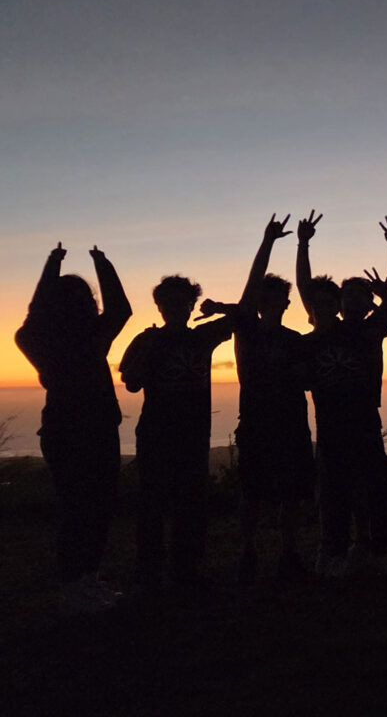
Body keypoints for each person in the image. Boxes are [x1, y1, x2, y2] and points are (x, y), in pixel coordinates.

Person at [16, 243, 132, 613]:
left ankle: (83, 581)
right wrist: (103, 263)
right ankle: (77, 583)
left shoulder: (40, 340)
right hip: (88, 432)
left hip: (69, 431)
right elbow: (120, 309)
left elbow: (35, 313)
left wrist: (52, 265)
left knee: (82, 508)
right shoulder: (91, 339)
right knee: (89, 508)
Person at [200, 214, 315, 584]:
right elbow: (248, 290)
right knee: (252, 493)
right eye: (267, 298)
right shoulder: (246, 328)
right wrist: (267, 242)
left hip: (291, 424)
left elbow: (307, 378)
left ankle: (288, 552)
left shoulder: (296, 340)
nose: (272, 302)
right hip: (256, 423)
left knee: (291, 495)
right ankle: (248, 552)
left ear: (286, 303)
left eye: (278, 297)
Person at [295, 211, 387, 579]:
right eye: (349, 296)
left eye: (362, 296)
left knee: (374, 490)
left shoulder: (371, 330)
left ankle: (375, 549)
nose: (355, 302)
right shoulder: (322, 330)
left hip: (364, 421)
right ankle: (333, 554)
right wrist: (303, 244)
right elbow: (305, 287)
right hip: (330, 424)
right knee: (335, 492)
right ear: (338, 303)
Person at [119, 274, 233, 590]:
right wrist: (149, 348)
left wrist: (219, 308)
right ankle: (150, 571)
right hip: (157, 432)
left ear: (191, 305)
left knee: (191, 502)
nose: (176, 308)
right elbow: (131, 382)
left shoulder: (202, 337)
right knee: (152, 503)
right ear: (159, 306)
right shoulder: (146, 340)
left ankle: (186, 569)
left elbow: (243, 314)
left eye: (182, 302)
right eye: (169, 303)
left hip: (193, 434)